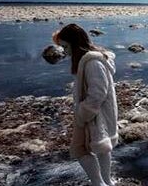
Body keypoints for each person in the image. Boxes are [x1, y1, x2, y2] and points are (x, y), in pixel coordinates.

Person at [53, 24, 118, 186]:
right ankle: (107, 182)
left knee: (79, 149)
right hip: (99, 114)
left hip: (94, 116)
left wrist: (83, 112)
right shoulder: (91, 60)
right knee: (102, 147)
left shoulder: (92, 63)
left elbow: (98, 93)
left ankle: (99, 183)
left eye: (66, 46)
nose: (65, 52)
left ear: (75, 43)